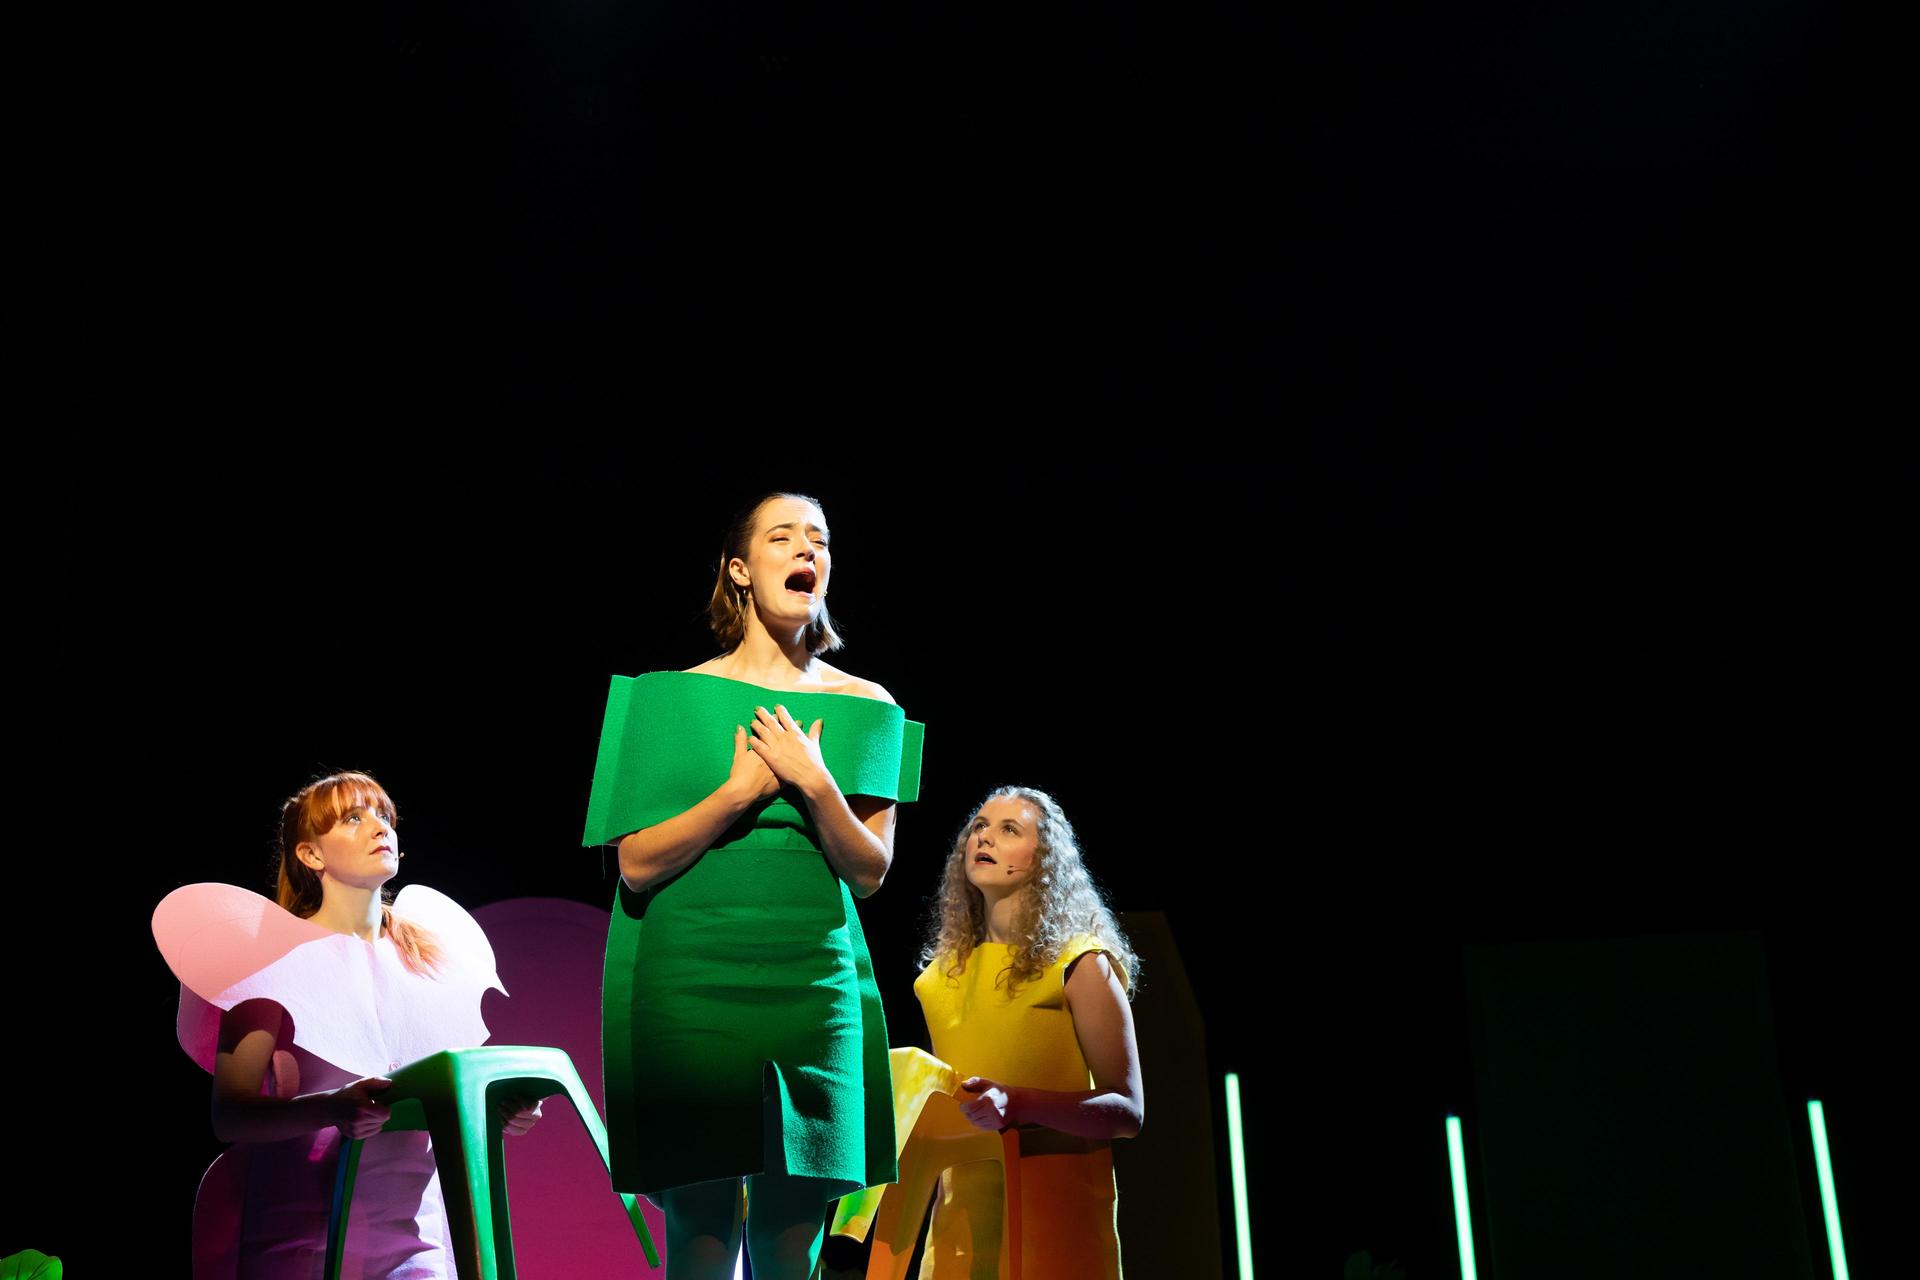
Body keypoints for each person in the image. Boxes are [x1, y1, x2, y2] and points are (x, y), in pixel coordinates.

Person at [586, 492, 923, 1280]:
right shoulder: (667, 697)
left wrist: (812, 780)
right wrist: (738, 792)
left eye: (821, 540)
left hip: (812, 980)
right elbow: (636, 863)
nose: (808, 550)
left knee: (791, 1231)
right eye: (784, 536)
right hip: (688, 975)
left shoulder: (867, 705)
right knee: (699, 1226)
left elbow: (871, 872)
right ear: (740, 569)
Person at [152, 772, 539, 1280]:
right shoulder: (268, 960)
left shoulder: (435, 960)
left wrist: (499, 1111)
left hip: (414, 1234)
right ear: (312, 855)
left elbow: (450, 1089)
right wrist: (333, 1107)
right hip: (301, 1235)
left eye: (384, 816)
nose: (379, 828)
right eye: (354, 819)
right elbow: (232, 1115)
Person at [908, 786, 1144, 1279]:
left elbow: (1126, 1111)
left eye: (1008, 829)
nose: (984, 838)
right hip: (961, 1229)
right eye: (979, 827)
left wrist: (1018, 1105)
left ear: (1044, 862)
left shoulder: (1080, 963)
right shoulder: (937, 980)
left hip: (1057, 1218)